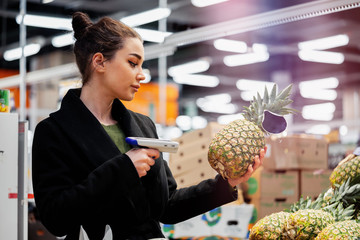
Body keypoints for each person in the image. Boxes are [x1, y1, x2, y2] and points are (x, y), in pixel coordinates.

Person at [32, 11, 266, 240]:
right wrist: (123, 169)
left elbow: (167, 206)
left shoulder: (143, 126)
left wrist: (225, 185)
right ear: (99, 62)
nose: (142, 75)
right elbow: (55, 218)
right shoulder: (53, 132)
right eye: (133, 63)